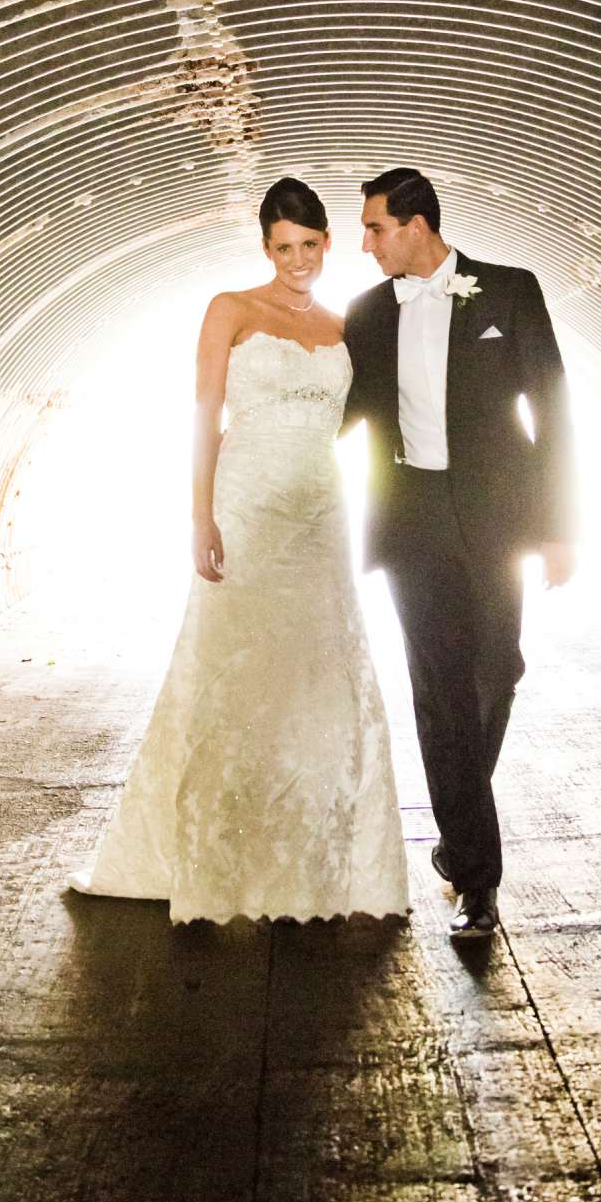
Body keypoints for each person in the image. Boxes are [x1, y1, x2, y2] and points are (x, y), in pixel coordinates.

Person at [71, 178, 408, 925]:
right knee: (232, 668)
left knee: (315, 672)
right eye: (283, 248)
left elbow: (352, 418)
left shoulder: (343, 323)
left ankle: (316, 861)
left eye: (310, 246)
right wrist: (199, 515)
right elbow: (203, 412)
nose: (297, 260)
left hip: (320, 508)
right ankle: (214, 861)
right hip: (245, 504)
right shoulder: (229, 308)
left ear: (328, 243)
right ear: (265, 248)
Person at [344, 167, 575, 941]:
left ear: (416, 224)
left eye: (375, 228)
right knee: (439, 693)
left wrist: (560, 526)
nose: (366, 244)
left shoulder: (509, 290)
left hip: (497, 520)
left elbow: (552, 408)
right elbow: (335, 415)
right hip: (412, 524)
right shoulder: (369, 314)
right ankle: (478, 884)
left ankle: (457, 827)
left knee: (497, 671)